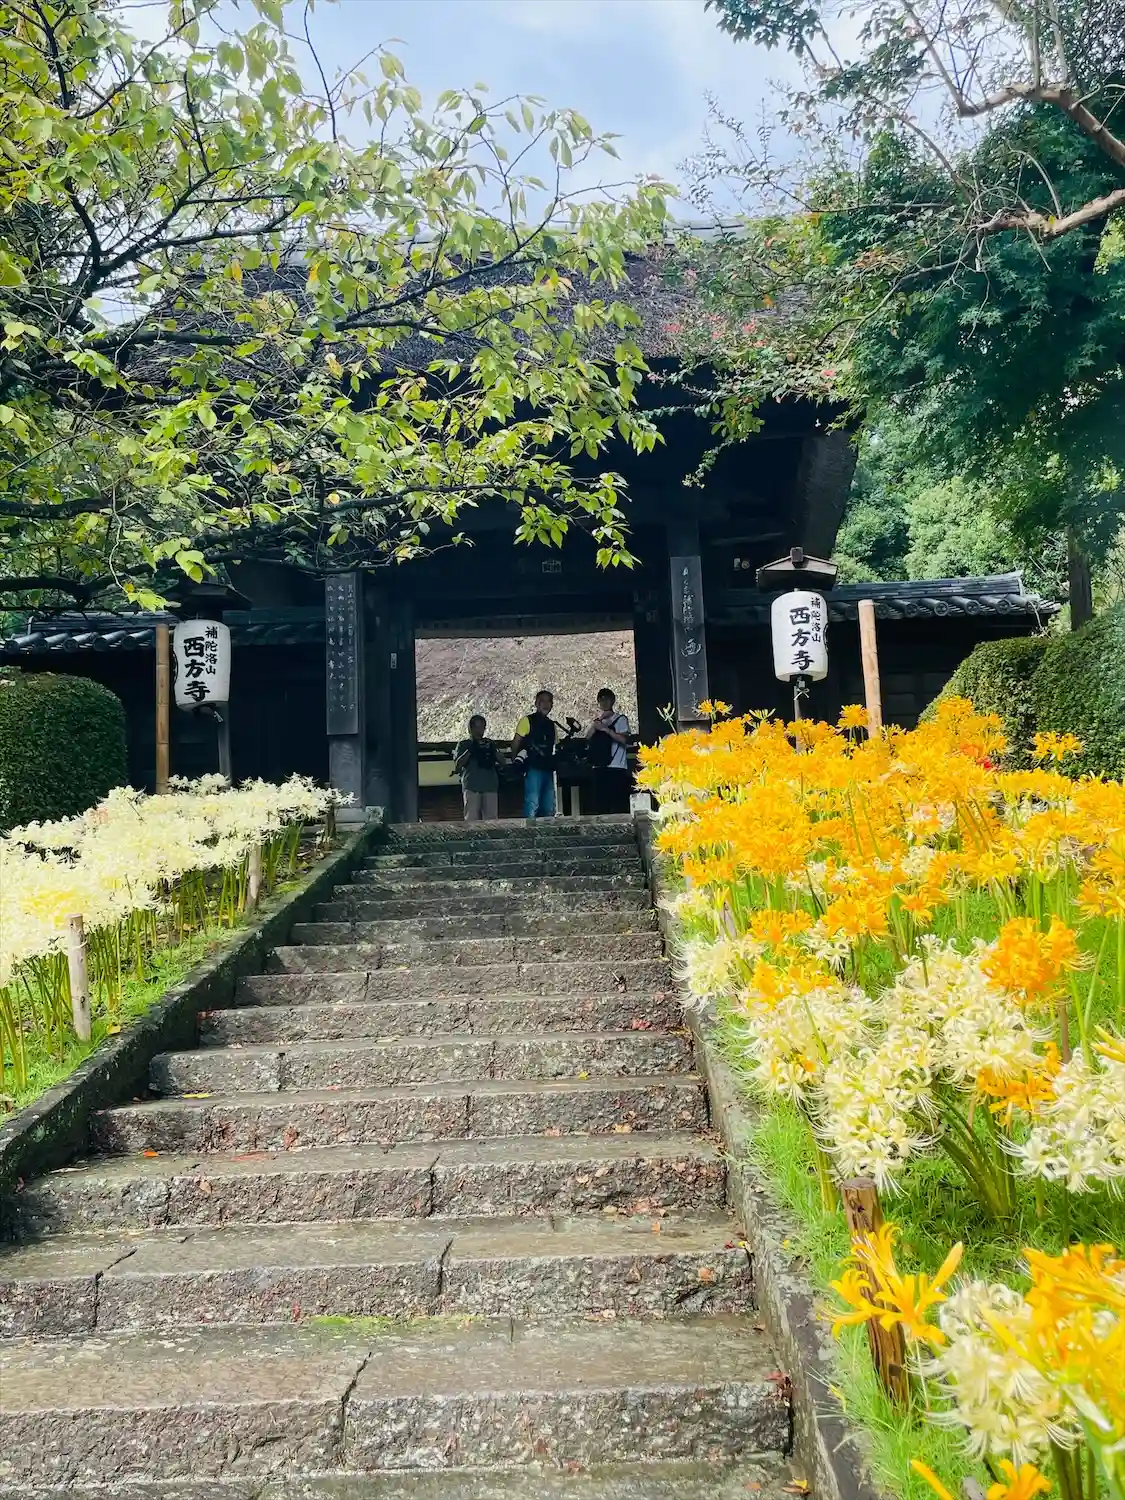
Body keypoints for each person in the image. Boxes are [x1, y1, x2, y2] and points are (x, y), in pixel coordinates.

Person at [584, 688, 632, 814]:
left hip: (617, 767)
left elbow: (624, 739)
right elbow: (587, 739)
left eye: (607, 699)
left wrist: (606, 729)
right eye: (601, 700)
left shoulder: (621, 719)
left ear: (613, 701)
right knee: (600, 807)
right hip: (599, 767)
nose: (604, 702)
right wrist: (596, 725)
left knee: (618, 806)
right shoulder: (598, 722)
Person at [512, 690, 557, 818]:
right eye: (542, 701)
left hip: (547, 768)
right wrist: (517, 763)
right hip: (532, 767)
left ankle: (546, 830)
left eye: (549, 701)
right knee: (532, 803)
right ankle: (529, 830)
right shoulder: (527, 720)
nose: (546, 704)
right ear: (536, 703)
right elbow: (516, 742)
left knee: (548, 806)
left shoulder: (552, 725)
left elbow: (555, 747)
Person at [454, 714, 499, 821]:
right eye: (476, 727)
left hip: (490, 785)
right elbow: (458, 765)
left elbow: (503, 762)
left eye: (482, 727)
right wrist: (471, 748)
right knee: (471, 819)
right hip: (472, 786)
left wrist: (493, 749)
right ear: (470, 729)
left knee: (491, 820)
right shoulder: (464, 744)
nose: (479, 731)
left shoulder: (489, 743)